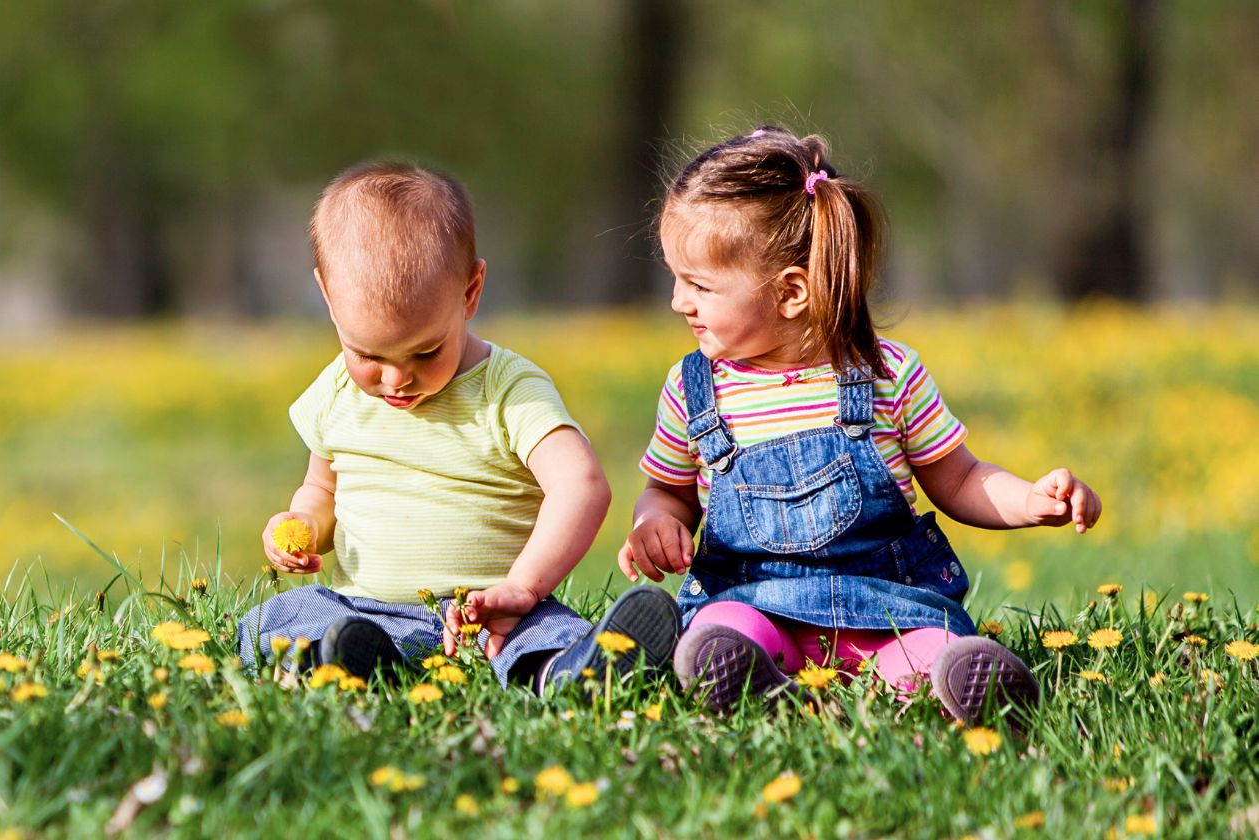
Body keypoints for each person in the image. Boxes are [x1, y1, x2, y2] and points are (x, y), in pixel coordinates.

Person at [620, 126, 1102, 720]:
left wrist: (1030, 499)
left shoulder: (884, 373)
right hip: (754, 601)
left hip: (885, 607)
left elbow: (958, 478)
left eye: (698, 285)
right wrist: (655, 522)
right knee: (720, 630)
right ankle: (754, 680)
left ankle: (945, 677)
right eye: (675, 278)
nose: (677, 301)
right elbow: (667, 491)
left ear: (791, 291)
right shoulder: (694, 389)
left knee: (926, 649)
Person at [236, 161, 679, 692]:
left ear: (470, 293)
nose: (396, 378)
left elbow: (580, 486)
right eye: (368, 354)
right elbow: (322, 489)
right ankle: (356, 658)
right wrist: (303, 526)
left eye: (426, 350)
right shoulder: (335, 392)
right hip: (364, 610)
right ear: (328, 299)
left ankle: (572, 672)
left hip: (494, 616)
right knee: (276, 617)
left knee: (546, 634)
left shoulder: (508, 389)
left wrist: (522, 587)